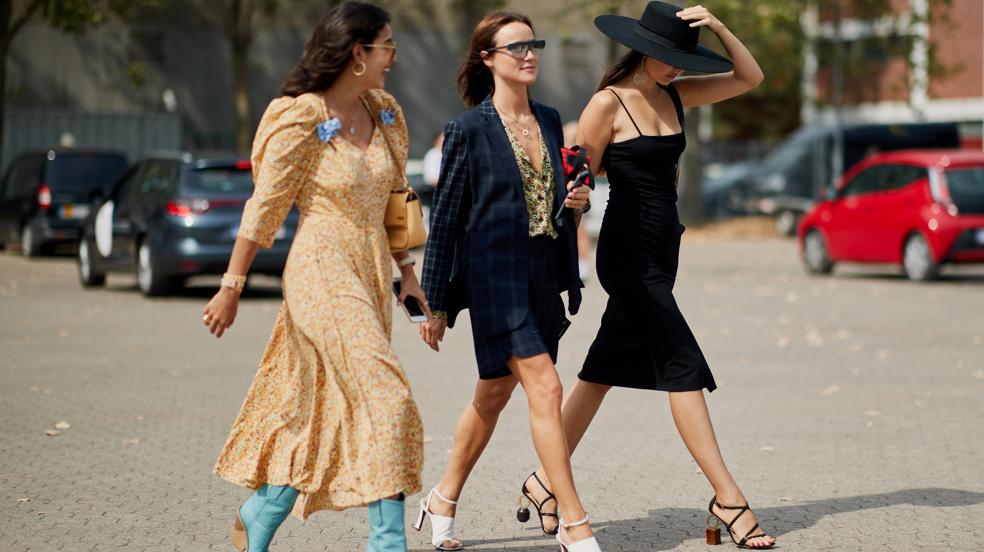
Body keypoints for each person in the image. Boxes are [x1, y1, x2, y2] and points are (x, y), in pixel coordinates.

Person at [520, 2, 776, 550]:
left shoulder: (676, 95)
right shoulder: (607, 103)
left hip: (664, 250)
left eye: (683, 57)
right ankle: (728, 498)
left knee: (602, 372)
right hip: (627, 254)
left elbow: (749, 78)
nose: (677, 66)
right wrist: (574, 202)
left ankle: (542, 482)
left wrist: (718, 27)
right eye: (669, 56)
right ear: (643, 50)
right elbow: (577, 174)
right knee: (683, 364)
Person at [202, 3, 427, 551]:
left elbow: (395, 200)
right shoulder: (301, 116)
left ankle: (260, 513)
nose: (394, 57)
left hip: (369, 268)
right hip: (321, 266)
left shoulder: (384, 111)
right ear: (357, 53)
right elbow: (265, 205)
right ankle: (388, 544)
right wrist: (231, 285)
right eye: (387, 46)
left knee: (320, 405)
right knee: (384, 394)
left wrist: (407, 273)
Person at [417, 11, 600, 552]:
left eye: (533, 44)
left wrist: (577, 200)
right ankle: (573, 521)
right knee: (547, 388)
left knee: (493, 394)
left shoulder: (549, 119)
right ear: (488, 59)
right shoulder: (467, 130)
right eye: (516, 47)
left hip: (543, 275)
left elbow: (557, 194)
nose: (528, 54)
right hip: (494, 279)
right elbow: (445, 220)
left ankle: (442, 498)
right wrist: (434, 305)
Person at [563, 120, 594, 281]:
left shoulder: (575, 155)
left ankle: (583, 265)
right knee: (579, 230)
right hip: (572, 190)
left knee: (581, 230)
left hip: (578, 191)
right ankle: (580, 264)